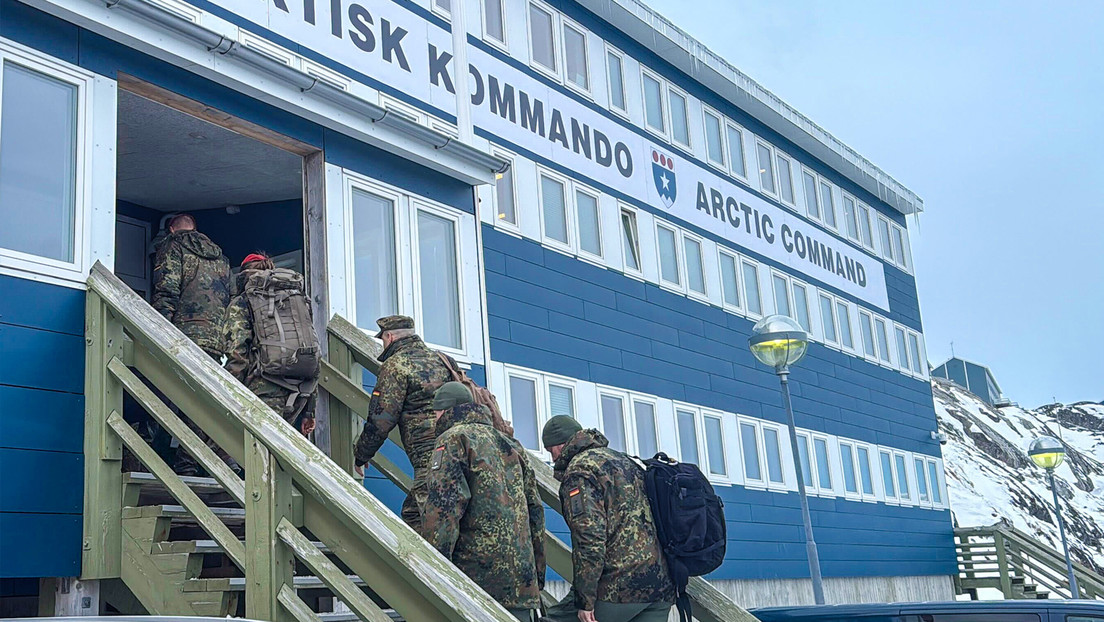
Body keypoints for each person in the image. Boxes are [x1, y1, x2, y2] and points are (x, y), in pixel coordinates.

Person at [421, 382, 546, 622]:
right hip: (522, 583)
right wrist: (536, 578)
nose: (434, 418)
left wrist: (433, 571)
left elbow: (443, 511)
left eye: (435, 412)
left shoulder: (453, 439)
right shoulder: (512, 444)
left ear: (446, 410)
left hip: (476, 581)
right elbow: (535, 513)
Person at [540, 416, 675, 622]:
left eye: (551, 451)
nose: (553, 458)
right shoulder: (625, 461)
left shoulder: (579, 472)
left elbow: (590, 539)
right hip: (660, 586)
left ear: (560, 445)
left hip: (617, 590)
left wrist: (585, 600)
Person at [150, 213, 236, 475]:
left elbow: (167, 289)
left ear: (172, 229)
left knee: (164, 394)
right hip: (214, 341)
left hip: (181, 336)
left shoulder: (172, 246)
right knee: (198, 402)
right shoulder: (221, 258)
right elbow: (231, 299)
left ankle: (158, 457)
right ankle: (189, 463)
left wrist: (157, 330)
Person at [353, 315, 453, 531]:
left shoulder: (396, 365)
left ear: (389, 336)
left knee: (422, 520)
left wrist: (361, 455)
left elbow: (381, 420)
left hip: (430, 458)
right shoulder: (442, 360)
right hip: (458, 449)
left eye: (383, 339)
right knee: (425, 513)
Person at [224, 254, 317, 436]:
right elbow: (311, 349)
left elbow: (237, 351)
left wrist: (229, 392)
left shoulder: (243, 301)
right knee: (281, 451)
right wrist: (309, 411)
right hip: (298, 392)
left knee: (257, 451)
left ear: (243, 275)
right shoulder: (296, 301)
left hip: (263, 386)